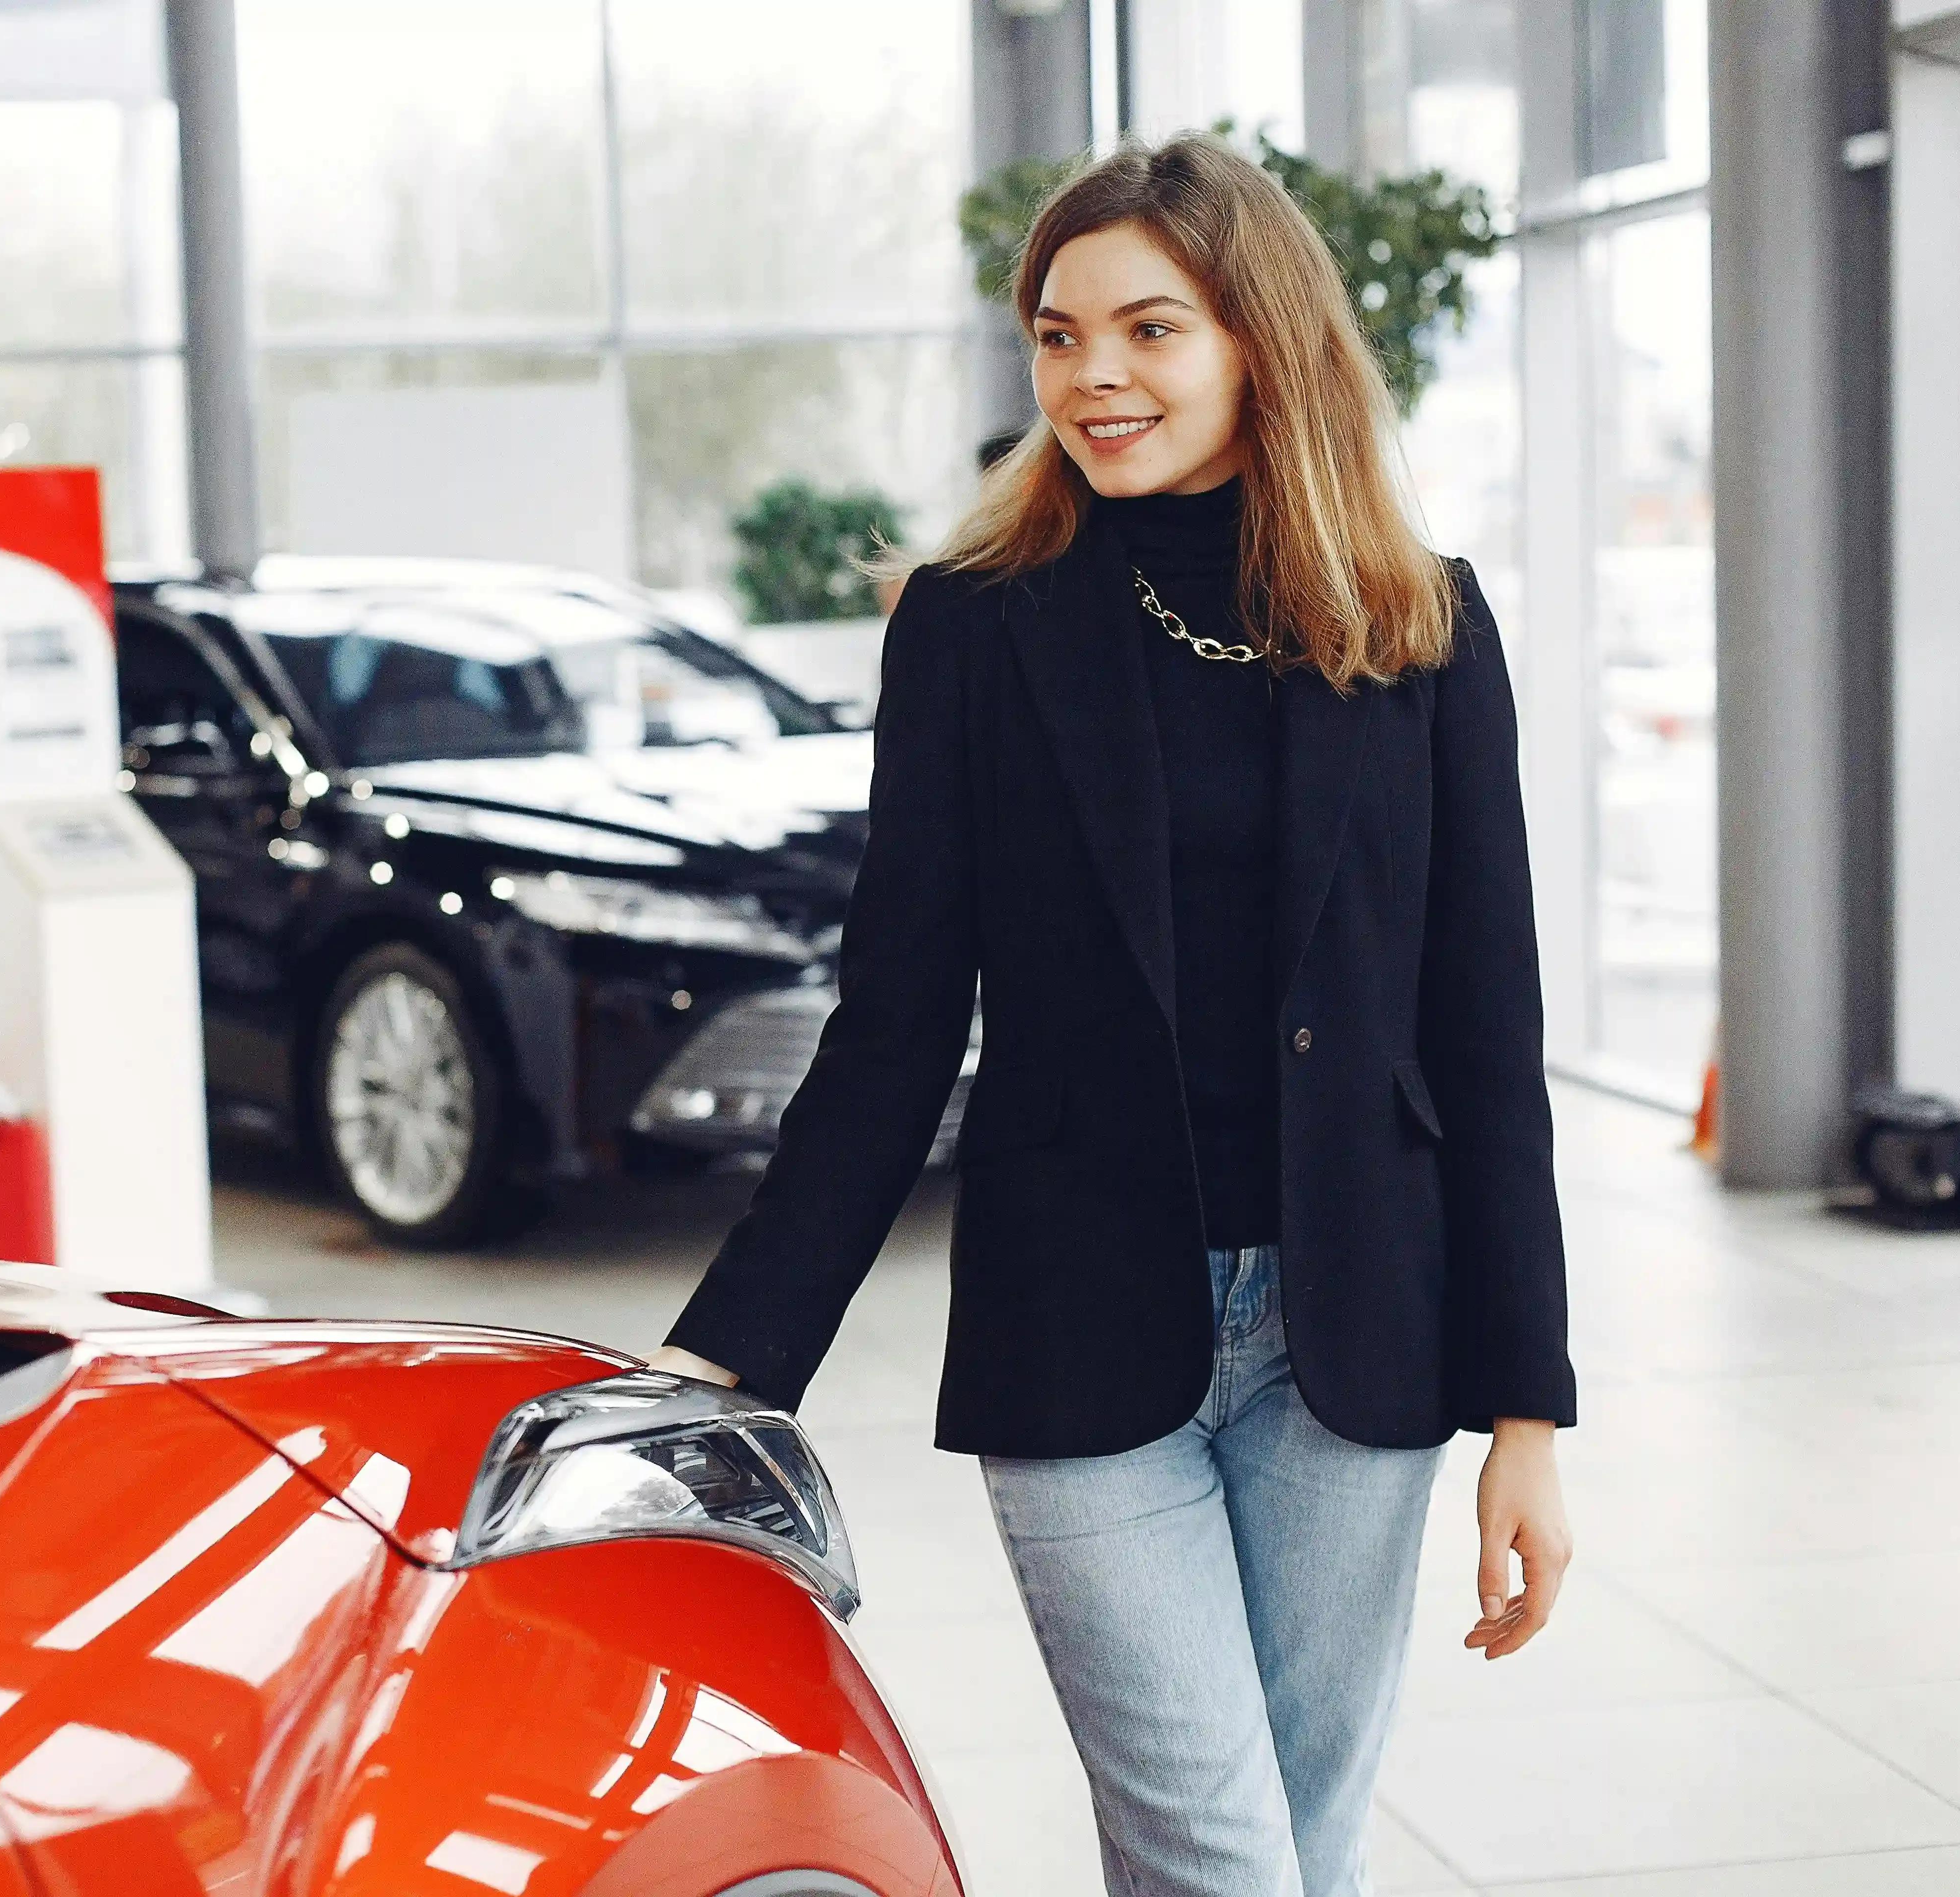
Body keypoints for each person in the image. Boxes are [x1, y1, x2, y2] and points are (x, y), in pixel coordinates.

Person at [652, 133, 1574, 1897]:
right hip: (1078, 1316)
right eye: (1057, 336)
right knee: (1211, 1851)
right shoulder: (972, 629)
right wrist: (732, 1357)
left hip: (1356, 1334)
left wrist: (1525, 1407)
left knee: (1301, 1845)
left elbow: (1483, 1033)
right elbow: (893, 1023)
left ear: (1259, 340)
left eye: (1148, 329)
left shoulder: (1422, 625)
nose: (1093, 375)